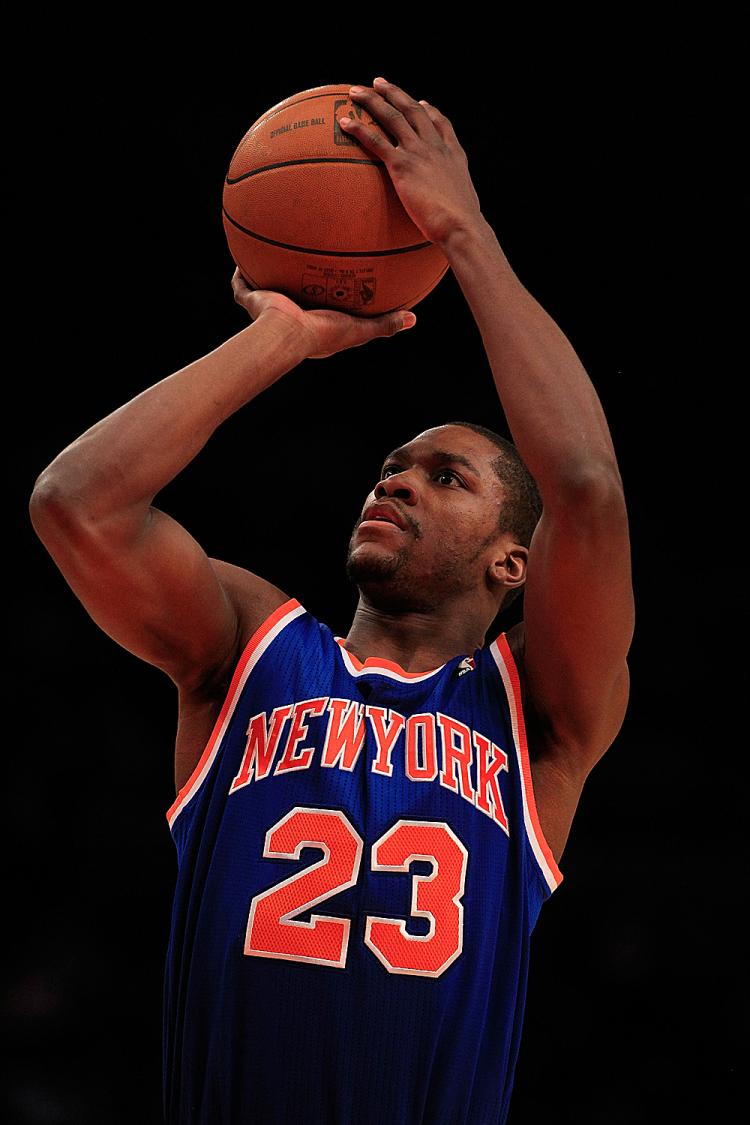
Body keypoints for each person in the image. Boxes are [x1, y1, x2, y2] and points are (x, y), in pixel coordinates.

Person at [29, 77, 634, 1125]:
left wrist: (464, 233)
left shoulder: (535, 715)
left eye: (447, 477)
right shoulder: (251, 652)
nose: (394, 479)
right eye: (393, 464)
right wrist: (278, 341)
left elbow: (583, 485)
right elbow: (75, 504)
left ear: (513, 562)